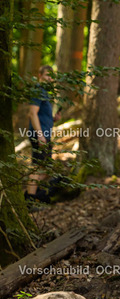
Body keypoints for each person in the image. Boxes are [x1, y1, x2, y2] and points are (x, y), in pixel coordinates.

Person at [25, 65, 61, 203]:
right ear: (40, 76)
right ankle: (30, 199)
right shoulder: (38, 90)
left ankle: (35, 193)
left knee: (46, 168)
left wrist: (53, 119)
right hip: (39, 135)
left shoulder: (45, 93)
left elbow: (41, 116)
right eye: (47, 75)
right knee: (36, 166)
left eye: (52, 76)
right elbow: (32, 113)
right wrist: (40, 135)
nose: (50, 78)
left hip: (45, 134)